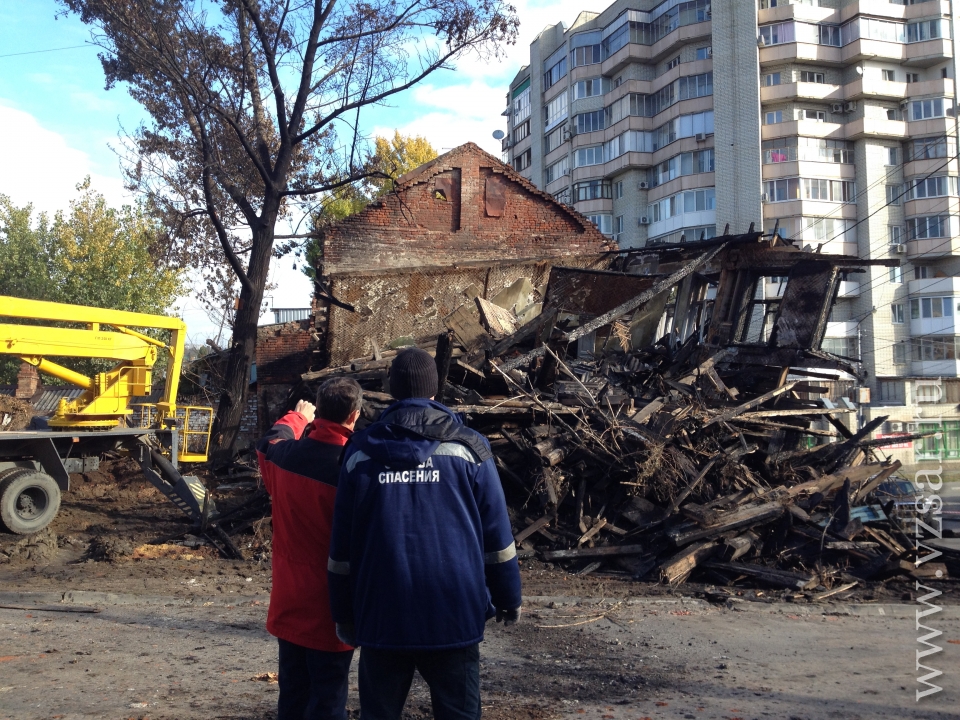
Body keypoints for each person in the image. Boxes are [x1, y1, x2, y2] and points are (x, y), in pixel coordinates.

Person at [328, 347, 522, 720]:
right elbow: (497, 539)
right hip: (453, 615)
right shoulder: (470, 450)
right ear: (436, 388)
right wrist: (508, 598)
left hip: (382, 617)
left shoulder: (359, 454)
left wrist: (344, 614)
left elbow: (342, 549)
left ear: (392, 389)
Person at [256, 377, 363, 720]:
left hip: (290, 604)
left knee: (293, 698)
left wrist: (296, 418)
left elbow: (268, 442)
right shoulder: (354, 470)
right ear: (354, 416)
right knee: (329, 702)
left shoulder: (284, 459)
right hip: (333, 611)